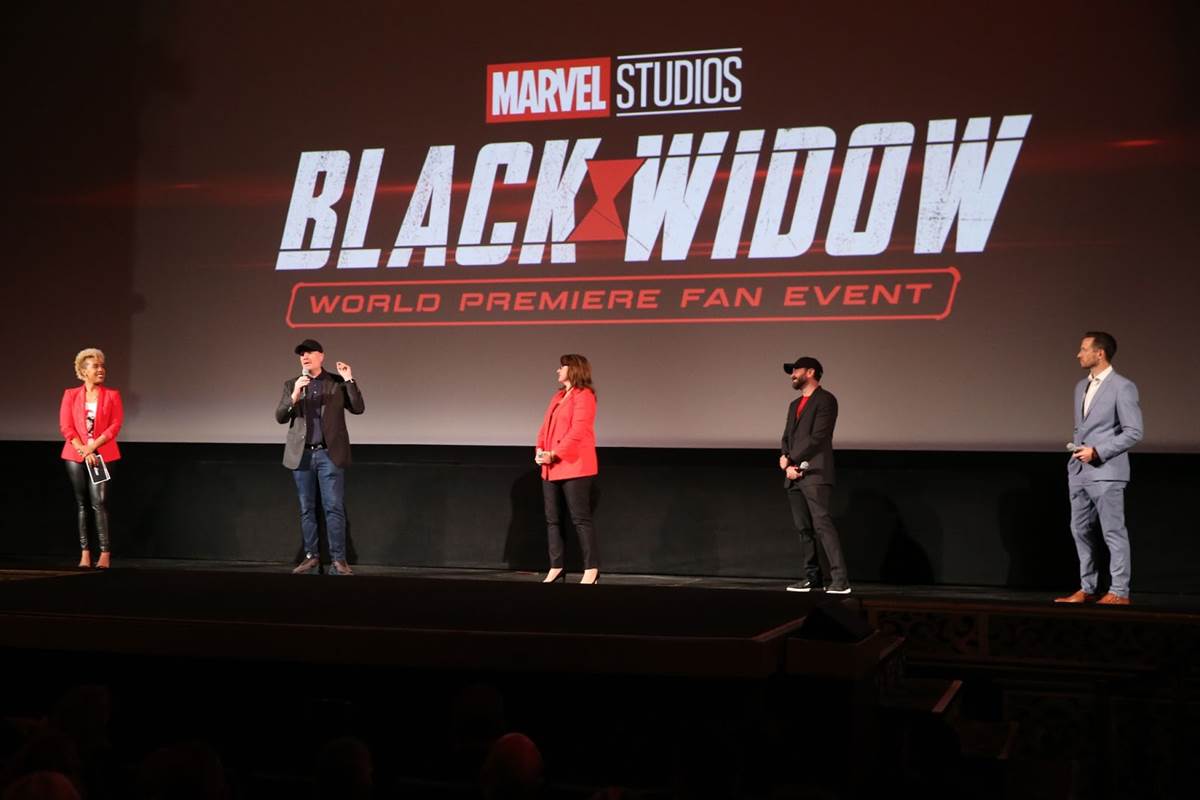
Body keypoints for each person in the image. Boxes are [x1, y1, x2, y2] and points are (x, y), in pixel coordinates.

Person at [1056, 331, 1143, 605]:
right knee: (1080, 530)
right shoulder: (1081, 387)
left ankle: (1119, 591)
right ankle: (1088, 587)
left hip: (1107, 472)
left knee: (1112, 532)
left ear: (1100, 353)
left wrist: (1098, 451)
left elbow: (1134, 432)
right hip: (1080, 472)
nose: (1078, 354)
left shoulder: (1122, 387)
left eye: (1083, 349)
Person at [275, 339, 364, 576]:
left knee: (333, 507)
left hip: (329, 454)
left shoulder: (336, 383)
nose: (305, 357)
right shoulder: (292, 384)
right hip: (302, 456)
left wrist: (349, 379)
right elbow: (281, 417)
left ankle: (339, 560)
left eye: (309, 353)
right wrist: (295, 395)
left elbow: (358, 408)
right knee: (307, 508)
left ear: (321, 356)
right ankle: (311, 557)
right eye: (301, 354)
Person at [779, 356, 850, 594]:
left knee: (822, 525)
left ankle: (840, 580)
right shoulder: (793, 405)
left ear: (810, 372)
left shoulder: (826, 400)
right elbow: (787, 436)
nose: (792, 375)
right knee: (803, 528)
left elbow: (818, 437)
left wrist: (792, 459)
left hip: (815, 472)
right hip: (793, 474)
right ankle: (813, 577)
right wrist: (784, 456)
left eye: (796, 370)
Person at [535, 354, 599, 584]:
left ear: (574, 369)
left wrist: (555, 453)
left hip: (575, 466)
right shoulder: (558, 396)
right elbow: (545, 427)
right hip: (550, 467)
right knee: (552, 519)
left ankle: (591, 569)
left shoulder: (585, 396)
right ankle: (557, 566)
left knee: (580, 519)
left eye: (561, 367)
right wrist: (540, 450)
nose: (557, 371)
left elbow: (578, 431)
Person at [59, 348, 123, 570]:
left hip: (103, 454)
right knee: (82, 503)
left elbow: (115, 425)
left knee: (100, 502)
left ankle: (104, 553)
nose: (101, 370)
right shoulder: (71, 395)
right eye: (95, 366)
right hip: (75, 455)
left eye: (102, 366)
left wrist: (93, 448)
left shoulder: (112, 395)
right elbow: (66, 426)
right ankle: (85, 553)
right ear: (83, 371)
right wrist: (83, 450)